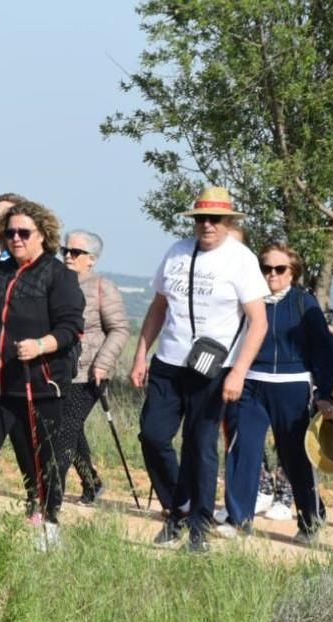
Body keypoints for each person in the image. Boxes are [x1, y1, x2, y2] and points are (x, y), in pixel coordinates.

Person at [130, 186, 268, 553]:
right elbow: (159, 306)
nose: (207, 225)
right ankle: (180, 504)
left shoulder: (241, 259)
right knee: (152, 436)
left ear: (228, 222)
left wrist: (239, 371)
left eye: (215, 219)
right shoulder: (176, 251)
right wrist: (141, 353)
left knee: (200, 444)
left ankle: (198, 527)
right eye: (200, 219)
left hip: (214, 366)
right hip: (168, 362)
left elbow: (258, 322)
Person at [0, 198, 84, 550]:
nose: (16, 238)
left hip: (38, 388)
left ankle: (49, 526)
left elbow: (71, 327)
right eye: (9, 232)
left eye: (24, 232)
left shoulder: (59, 276)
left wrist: (41, 345)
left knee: (43, 464)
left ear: (42, 235)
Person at [220, 243, 333, 543]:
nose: (272, 274)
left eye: (279, 269)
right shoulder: (249, 300)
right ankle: (238, 520)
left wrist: (323, 391)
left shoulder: (304, 302)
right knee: (242, 451)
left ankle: (310, 521)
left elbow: (323, 350)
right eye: (266, 268)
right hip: (250, 384)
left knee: (295, 456)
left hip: (292, 387)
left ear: (292, 273)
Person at [57, 229, 130, 505]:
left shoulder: (102, 287)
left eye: (75, 252)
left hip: (89, 373)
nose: (67, 256)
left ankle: (52, 491)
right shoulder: (57, 282)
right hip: (58, 372)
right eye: (64, 250)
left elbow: (120, 329)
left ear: (92, 259)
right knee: (69, 430)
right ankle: (92, 483)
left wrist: (102, 364)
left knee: (65, 429)